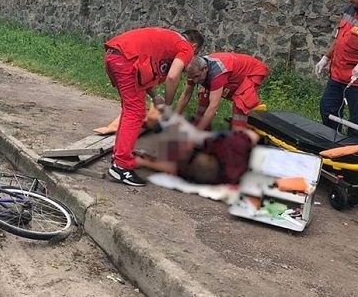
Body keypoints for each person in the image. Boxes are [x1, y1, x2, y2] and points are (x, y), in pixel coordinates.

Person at [103, 27, 205, 186]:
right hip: (126, 59)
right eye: (195, 53)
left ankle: (120, 155)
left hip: (115, 55)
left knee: (130, 110)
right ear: (194, 47)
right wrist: (168, 105)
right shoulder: (185, 47)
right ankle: (121, 166)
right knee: (135, 113)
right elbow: (172, 76)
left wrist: (155, 96)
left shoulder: (167, 41)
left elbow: (146, 70)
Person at [136, 113, 260, 185]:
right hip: (231, 148)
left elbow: (172, 167)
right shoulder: (222, 146)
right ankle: (161, 124)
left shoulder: (190, 168)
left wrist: (144, 161)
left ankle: (160, 124)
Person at [175, 53, 269, 130]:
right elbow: (186, 95)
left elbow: (213, 106)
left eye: (197, 77)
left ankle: (238, 140)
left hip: (253, 70)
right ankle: (203, 129)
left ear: (205, 69)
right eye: (191, 77)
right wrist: (173, 120)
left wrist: (197, 133)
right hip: (232, 72)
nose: (195, 81)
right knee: (204, 95)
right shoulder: (194, 70)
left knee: (240, 104)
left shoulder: (217, 73)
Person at [316, 0, 358, 130]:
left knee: (356, 122)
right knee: (327, 110)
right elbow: (340, 37)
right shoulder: (349, 10)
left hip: (356, 81)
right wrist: (326, 58)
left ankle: (353, 151)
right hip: (338, 76)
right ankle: (330, 144)